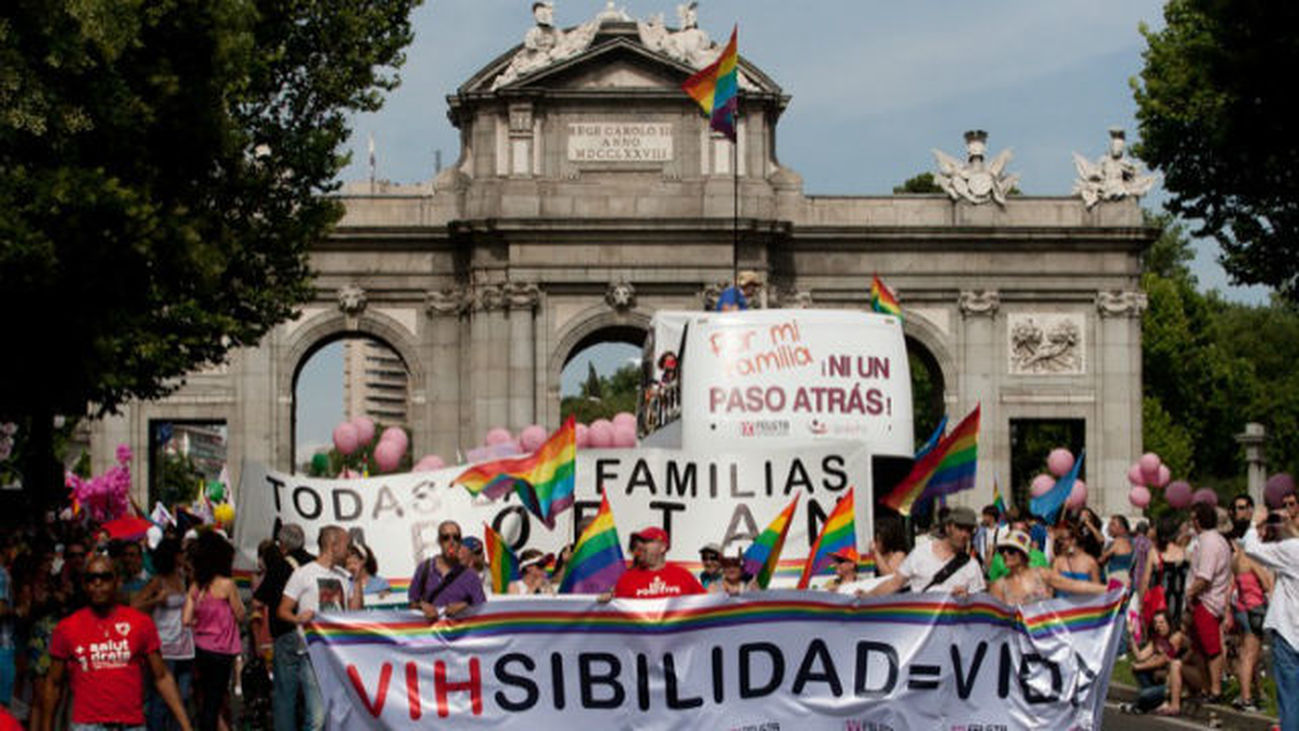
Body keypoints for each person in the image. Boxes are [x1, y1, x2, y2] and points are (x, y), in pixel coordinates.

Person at [39, 555, 192, 731]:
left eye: (105, 577)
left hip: (131, 724)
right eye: (91, 578)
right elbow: (53, 683)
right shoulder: (67, 628)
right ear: (84, 585)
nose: (97, 583)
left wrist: (186, 725)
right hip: (87, 726)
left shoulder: (140, 623)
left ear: (117, 582)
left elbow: (162, 676)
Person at [277, 525, 361, 731]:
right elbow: (282, 610)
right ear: (333, 546)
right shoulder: (303, 574)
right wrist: (298, 618)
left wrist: (356, 579)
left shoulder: (342, 576)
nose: (348, 550)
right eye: (345, 545)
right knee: (317, 716)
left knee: (336, 714)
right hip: (312, 654)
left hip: (338, 655)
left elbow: (355, 612)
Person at [1242, 508, 1299, 730]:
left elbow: (1252, 548)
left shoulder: (1293, 549)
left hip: (1289, 632)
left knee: (1290, 699)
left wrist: (1255, 523)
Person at [183, 532, 244, 731]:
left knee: (205, 698)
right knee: (215, 699)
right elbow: (240, 614)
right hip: (221, 650)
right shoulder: (227, 585)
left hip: (200, 648)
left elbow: (185, 619)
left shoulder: (195, 587)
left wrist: (199, 621)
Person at [131, 538, 194, 731]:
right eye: (180, 553)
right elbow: (135, 605)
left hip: (185, 645)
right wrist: (156, 600)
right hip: (164, 645)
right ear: (173, 556)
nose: (183, 557)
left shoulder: (184, 576)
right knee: (161, 698)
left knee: (182, 696)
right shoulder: (158, 581)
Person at [868, 507, 985, 597]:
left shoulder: (972, 566)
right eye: (960, 528)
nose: (964, 535)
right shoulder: (921, 553)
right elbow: (894, 583)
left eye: (969, 530)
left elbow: (979, 605)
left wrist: (967, 599)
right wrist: (866, 596)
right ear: (948, 527)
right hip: (920, 623)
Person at [252, 535, 304, 731]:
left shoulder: (277, 570)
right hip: (307, 633)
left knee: (284, 692)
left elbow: (257, 602)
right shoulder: (307, 565)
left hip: (283, 632)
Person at [1185, 502, 1232, 702]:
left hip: (1206, 601)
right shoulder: (1212, 540)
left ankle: (1214, 689)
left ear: (1198, 520)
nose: (1191, 522)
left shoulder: (1209, 542)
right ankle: (1205, 686)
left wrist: (1190, 593)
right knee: (1198, 649)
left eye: (1193, 518)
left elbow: (1204, 576)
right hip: (1204, 601)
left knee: (1211, 648)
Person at [988, 530, 1107, 605]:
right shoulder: (998, 586)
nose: (1005, 554)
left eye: (1011, 551)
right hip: (1017, 642)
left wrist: (1107, 589)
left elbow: (1073, 585)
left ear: (1023, 555)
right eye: (1002, 550)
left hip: (1046, 640)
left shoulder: (1042, 574)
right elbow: (998, 622)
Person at [1228, 525, 1272, 714]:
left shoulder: (1236, 559)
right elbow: (1267, 583)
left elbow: (1231, 587)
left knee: (1246, 654)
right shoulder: (1251, 559)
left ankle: (1250, 693)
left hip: (1241, 608)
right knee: (1250, 655)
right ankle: (1246, 698)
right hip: (1255, 609)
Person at [409, 522, 485, 620]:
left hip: (459, 633)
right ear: (439, 541)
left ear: (460, 542)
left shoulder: (471, 576)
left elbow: (482, 609)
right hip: (430, 633)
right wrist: (423, 607)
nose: (451, 542)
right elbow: (413, 603)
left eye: (456, 538)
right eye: (446, 538)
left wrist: (465, 606)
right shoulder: (425, 568)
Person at [607, 527, 705, 599]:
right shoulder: (627, 579)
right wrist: (604, 603)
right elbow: (616, 617)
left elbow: (706, 607)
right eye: (640, 542)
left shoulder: (683, 576)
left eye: (646, 541)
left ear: (662, 547)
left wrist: (714, 596)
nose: (640, 546)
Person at [1124, 610, 1184, 714]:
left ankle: (1148, 699)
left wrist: (1140, 666)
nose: (1158, 626)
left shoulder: (1176, 637)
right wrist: (1131, 636)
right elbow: (1140, 656)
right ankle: (1154, 697)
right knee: (1138, 672)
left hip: (1173, 683)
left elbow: (1163, 660)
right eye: (1156, 623)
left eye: (1162, 622)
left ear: (1169, 623)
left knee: (1144, 695)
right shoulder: (1156, 639)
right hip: (1161, 679)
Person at [1051, 521, 1101, 598]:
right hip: (1063, 606)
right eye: (1059, 540)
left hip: (1083, 606)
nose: (1061, 543)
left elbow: (1097, 590)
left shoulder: (1090, 562)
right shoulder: (1059, 561)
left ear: (1074, 540)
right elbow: (1053, 586)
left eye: (1064, 539)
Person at [1100, 515, 1135, 588]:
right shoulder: (1133, 541)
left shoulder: (1117, 542)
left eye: (1112, 524)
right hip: (1130, 582)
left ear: (1122, 528)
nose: (1109, 528)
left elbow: (1101, 560)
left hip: (1115, 582)